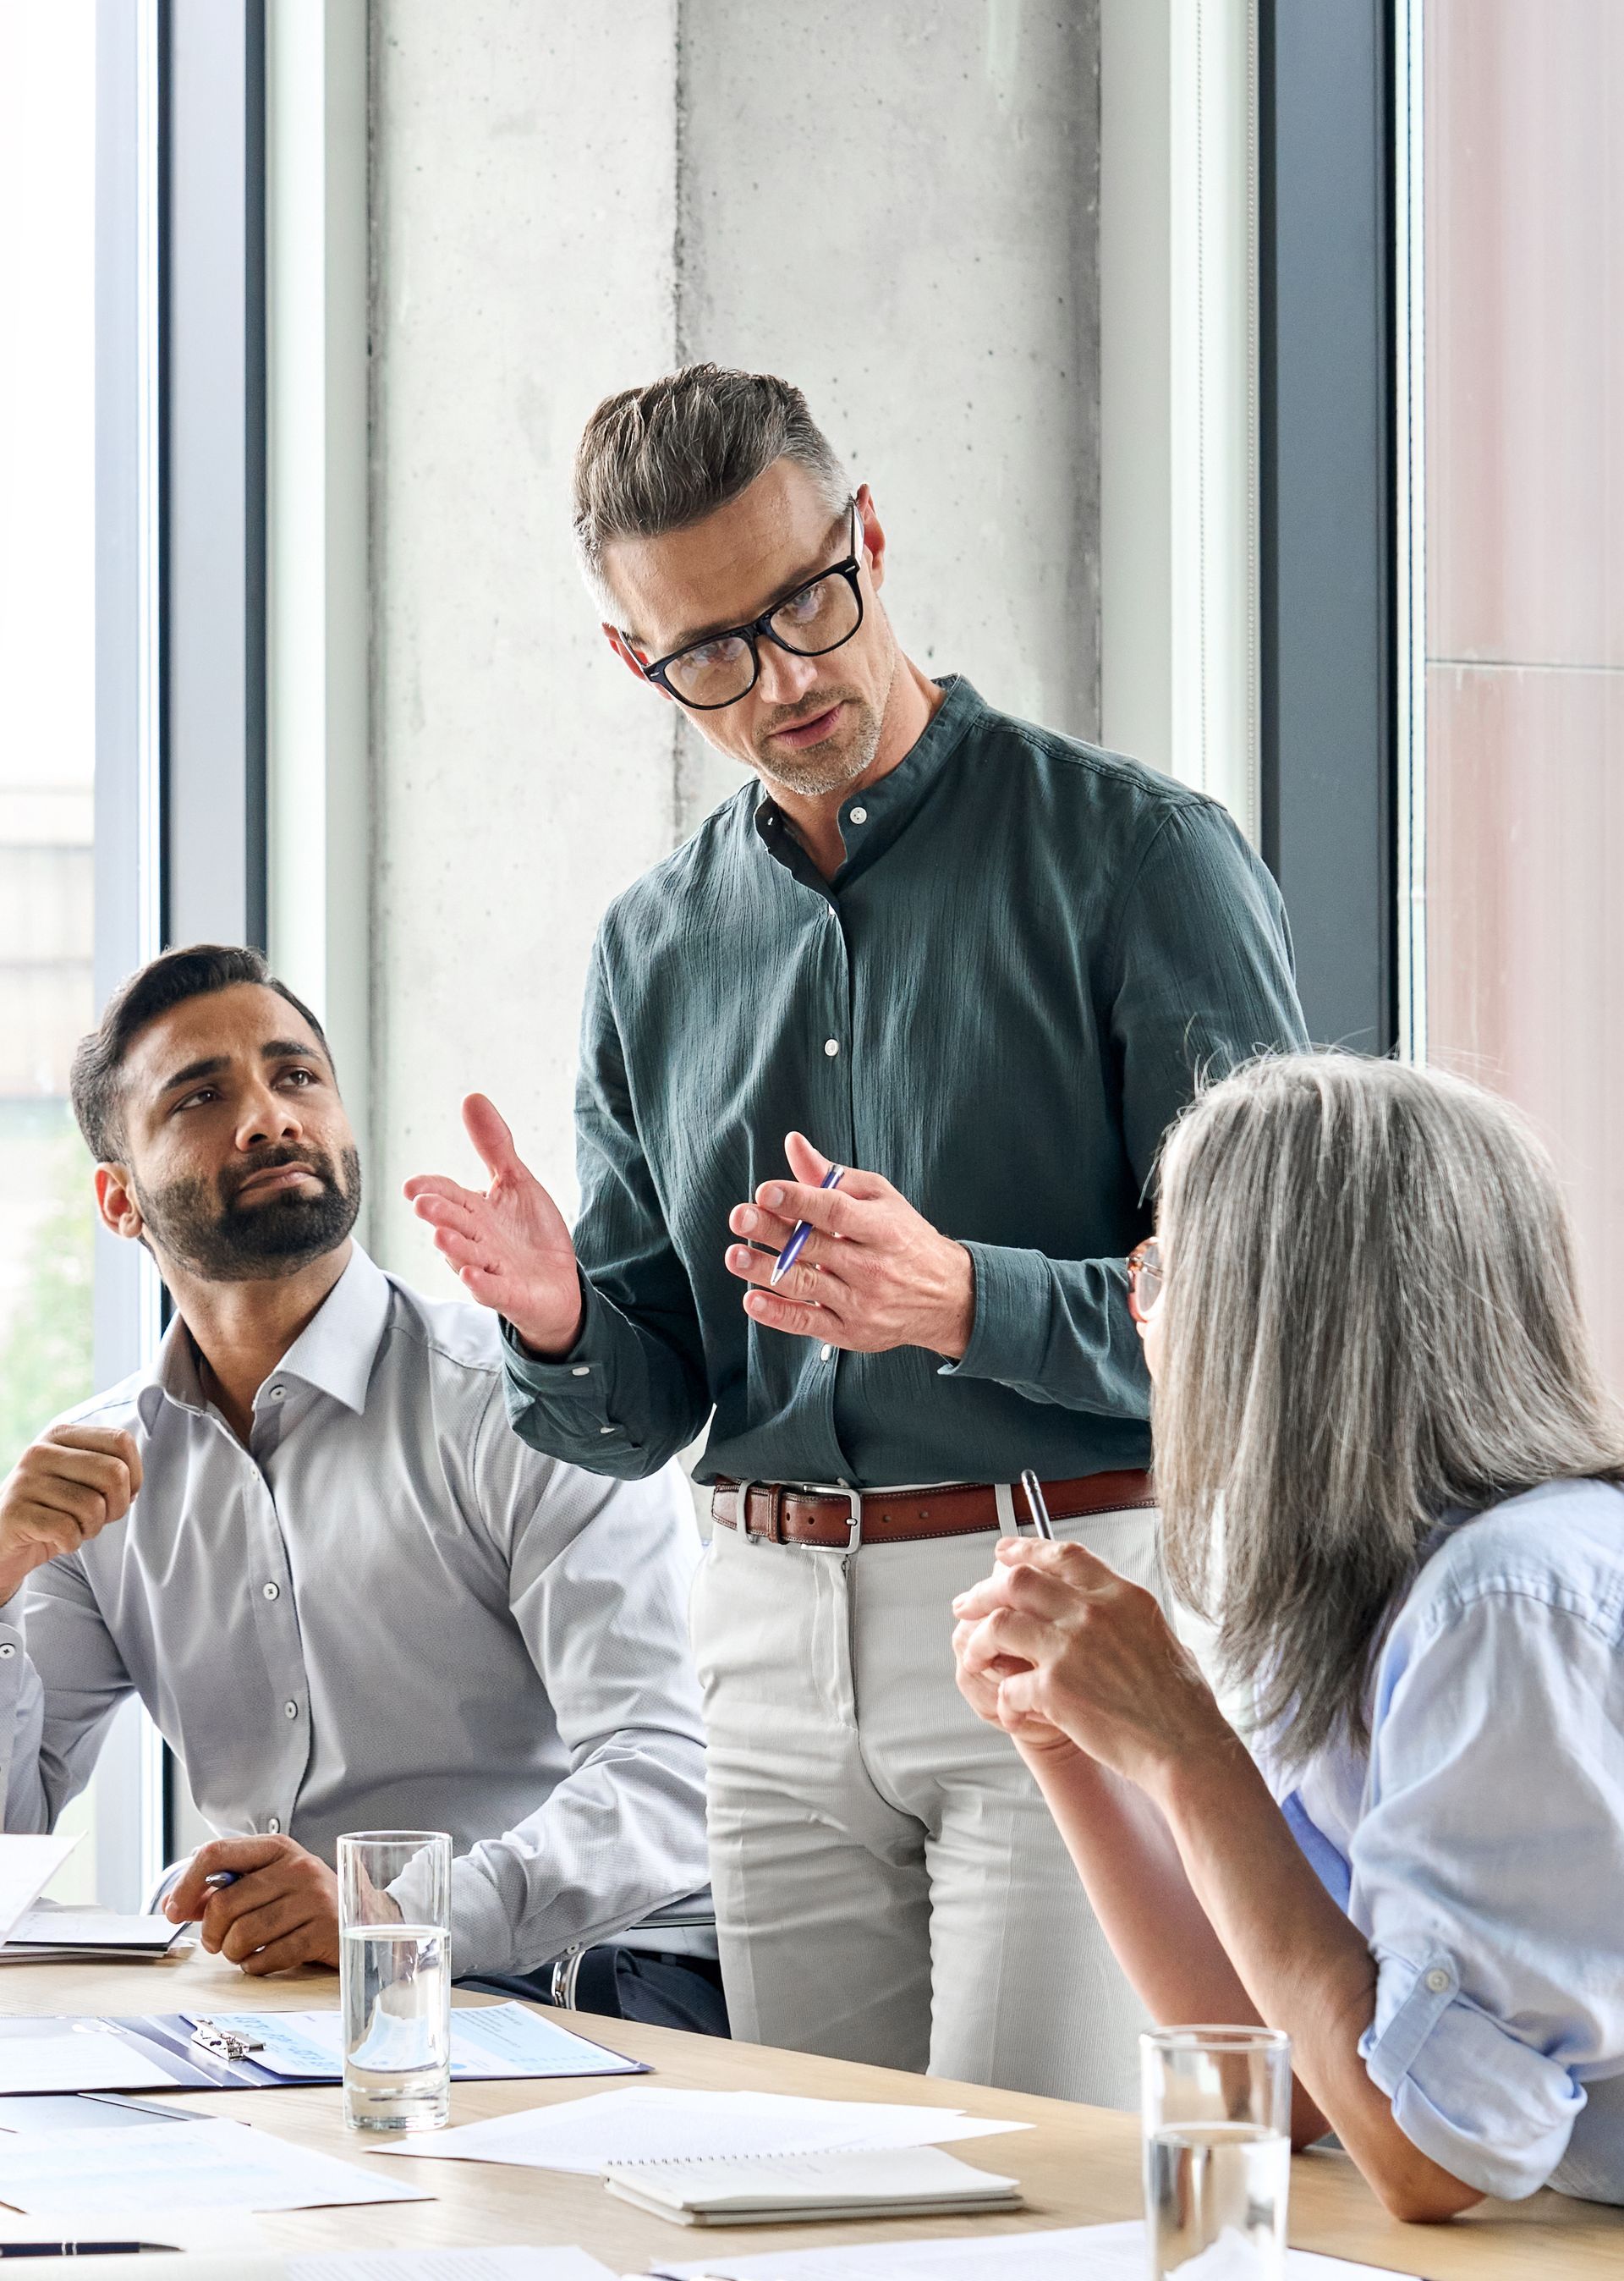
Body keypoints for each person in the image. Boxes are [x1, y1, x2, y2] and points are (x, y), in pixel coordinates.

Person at [405, 363, 1308, 2101]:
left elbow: (1282, 1320)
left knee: (1014, 2202)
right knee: (811, 2198)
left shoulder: (1138, 859)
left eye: (809, 603)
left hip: (1070, 1596)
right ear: (637, 664)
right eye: (714, 653)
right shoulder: (651, 946)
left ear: (870, 536)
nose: (788, 676)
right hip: (756, 1640)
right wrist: (551, 1324)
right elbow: (647, 1394)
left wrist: (967, 1297)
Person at [0, 945, 719, 2030]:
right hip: (289, 2017)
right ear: (118, 1201)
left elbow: (670, 1776)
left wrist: (390, 1912)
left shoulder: (519, 1404)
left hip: (580, 1984)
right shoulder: (96, 1473)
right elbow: (12, 1837)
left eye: (296, 1078)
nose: (268, 1118)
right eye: (202, 1096)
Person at [952, 1053, 1624, 2211]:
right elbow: (1288, 2075)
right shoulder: (1355, 1596)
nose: (1140, 1308)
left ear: (1275, 1325)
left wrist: (1184, 1743)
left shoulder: (1509, 1603)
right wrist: (1065, 1735)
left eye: (1161, 1267)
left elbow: (1436, 2158)